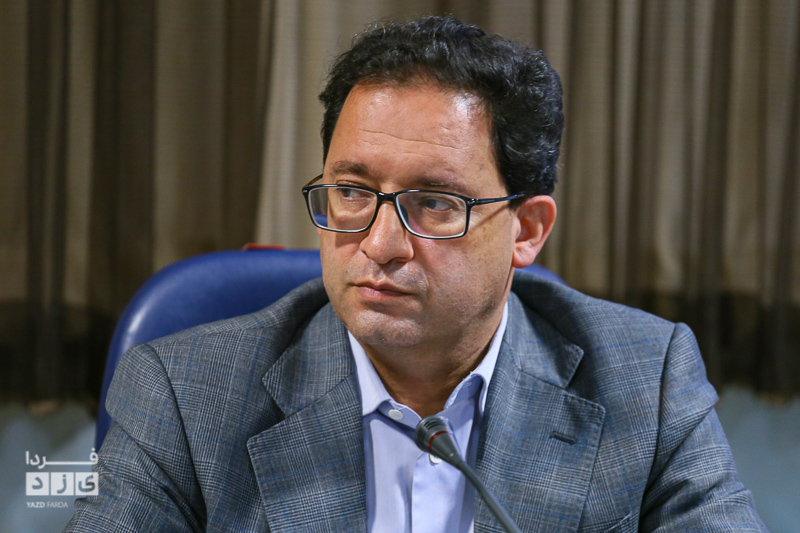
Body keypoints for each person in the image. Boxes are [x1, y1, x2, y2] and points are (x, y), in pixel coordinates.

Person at [66, 15, 766, 532]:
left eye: (434, 203)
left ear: (526, 230)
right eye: (352, 192)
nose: (379, 243)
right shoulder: (188, 395)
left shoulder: (646, 382)